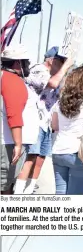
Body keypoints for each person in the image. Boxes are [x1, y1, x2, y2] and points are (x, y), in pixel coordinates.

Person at [15, 46, 73, 194]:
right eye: (62, 62)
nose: (63, 66)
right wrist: (65, 68)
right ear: (52, 60)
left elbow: (63, 93)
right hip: (33, 121)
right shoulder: (38, 69)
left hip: (45, 122)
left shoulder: (56, 75)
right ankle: (18, 192)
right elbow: (52, 84)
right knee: (30, 157)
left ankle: (30, 189)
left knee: (40, 158)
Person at [51, 66, 83, 194]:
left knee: (60, 193)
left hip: (59, 150)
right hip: (79, 152)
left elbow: (54, 126)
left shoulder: (60, 102)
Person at [1, 45, 31, 194]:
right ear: (17, 62)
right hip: (5, 143)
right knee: (5, 188)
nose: (27, 65)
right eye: (26, 62)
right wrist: (18, 144)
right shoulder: (12, 80)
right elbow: (14, 115)